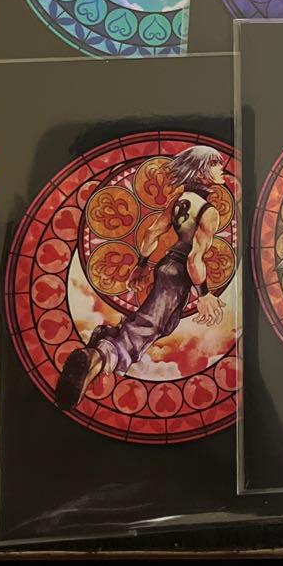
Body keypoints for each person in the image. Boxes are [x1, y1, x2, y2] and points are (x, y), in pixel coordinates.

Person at [55, 146, 229, 409]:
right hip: (179, 274)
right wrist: (204, 294)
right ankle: (97, 356)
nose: (222, 168)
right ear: (201, 171)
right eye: (215, 164)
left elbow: (153, 232)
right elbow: (195, 257)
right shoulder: (208, 212)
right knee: (147, 327)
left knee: (163, 325)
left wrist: (142, 264)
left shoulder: (180, 200)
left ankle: (104, 340)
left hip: (165, 265)